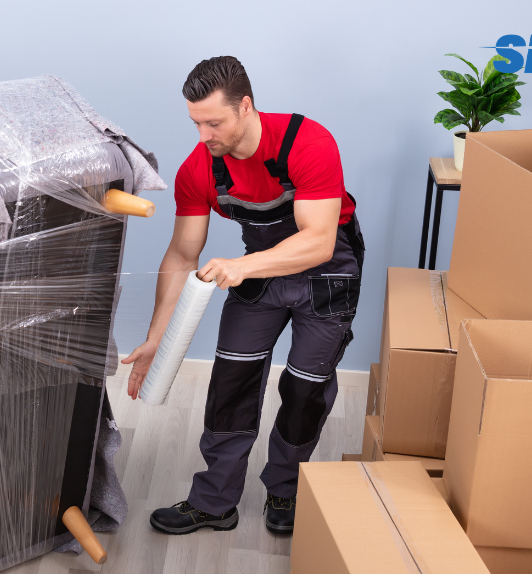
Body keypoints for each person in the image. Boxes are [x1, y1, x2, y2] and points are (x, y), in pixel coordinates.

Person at [125, 56, 364, 535]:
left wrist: (241, 267)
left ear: (245, 107)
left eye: (213, 122)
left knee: (304, 388)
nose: (202, 136)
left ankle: (285, 490)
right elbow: (181, 253)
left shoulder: (307, 142)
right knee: (231, 381)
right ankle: (214, 501)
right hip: (258, 271)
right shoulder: (199, 169)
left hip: (328, 273)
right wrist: (156, 336)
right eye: (195, 123)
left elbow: (317, 240)